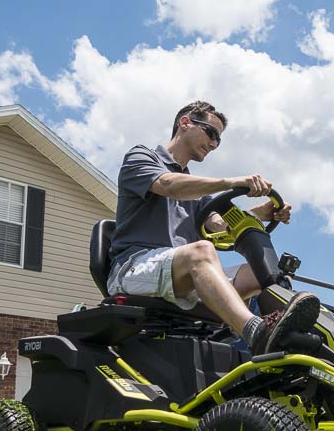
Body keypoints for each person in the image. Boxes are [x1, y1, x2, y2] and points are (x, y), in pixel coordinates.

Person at [107, 100, 320, 354]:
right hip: (133, 268)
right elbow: (168, 186)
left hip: (179, 273)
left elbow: (219, 225)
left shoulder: (198, 194)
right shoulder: (142, 158)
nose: (214, 144)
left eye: (219, 140)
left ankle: (286, 338)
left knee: (259, 271)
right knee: (202, 251)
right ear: (185, 123)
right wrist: (231, 182)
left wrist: (263, 213)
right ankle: (256, 333)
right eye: (212, 133)